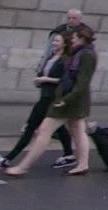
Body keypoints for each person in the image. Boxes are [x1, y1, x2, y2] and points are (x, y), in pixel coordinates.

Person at [6, 25, 98, 176]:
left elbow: (82, 82)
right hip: (71, 98)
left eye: (74, 38)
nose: (71, 41)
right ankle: (82, 164)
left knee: (44, 131)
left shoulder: (86, 55)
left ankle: (23, 167)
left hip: (70, 99)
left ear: (82, 38)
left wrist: (66, 99)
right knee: (77, 130)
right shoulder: (77, 53)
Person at [0, 30, 75, 169]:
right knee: (59, 129)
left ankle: (8, 159)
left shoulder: (66, 60)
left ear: (65, 43)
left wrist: (46, 79)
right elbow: (45, 75)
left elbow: (66, 80)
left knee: (31, 127)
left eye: (57, 41)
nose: (53, 43)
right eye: (53, 41)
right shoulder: (51, 57)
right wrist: (40, 80)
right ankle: (69, 155)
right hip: (45, 95)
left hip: (52, 98)